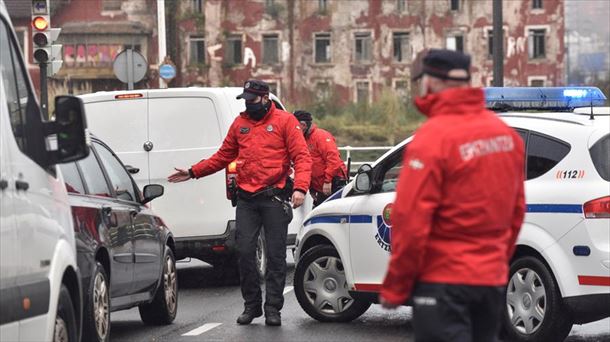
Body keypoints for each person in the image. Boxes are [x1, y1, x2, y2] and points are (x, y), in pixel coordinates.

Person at [379, 49, 526, 342]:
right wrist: (494, 260)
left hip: (443, 281)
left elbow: (410, 219)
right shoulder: (505, 135)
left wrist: (397, 285)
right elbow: (516, 211)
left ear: (429, 82)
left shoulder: (433, 138)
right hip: (491, 281)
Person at [168, 80, 312, 326]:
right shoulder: (240, 123)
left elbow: (301, 156)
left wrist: (300, 188)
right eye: (245, 99)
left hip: (274, 197)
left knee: (277, 257)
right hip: (246, 198)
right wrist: (193, 172)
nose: (248, 104)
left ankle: (273, 309)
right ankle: (252, 305)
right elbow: (223, 156)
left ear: (265, 98)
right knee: (245, 252)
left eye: (252, 100)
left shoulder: (285, 122)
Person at [293, 110, 347, 207]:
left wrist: (328, 181)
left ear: (303, 125)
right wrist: (312, 188)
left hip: (332, 184)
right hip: (320, 187)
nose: (293, 129)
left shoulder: (321, 136)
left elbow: (333, 159)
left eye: (295, 126)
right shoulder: (303, 139)